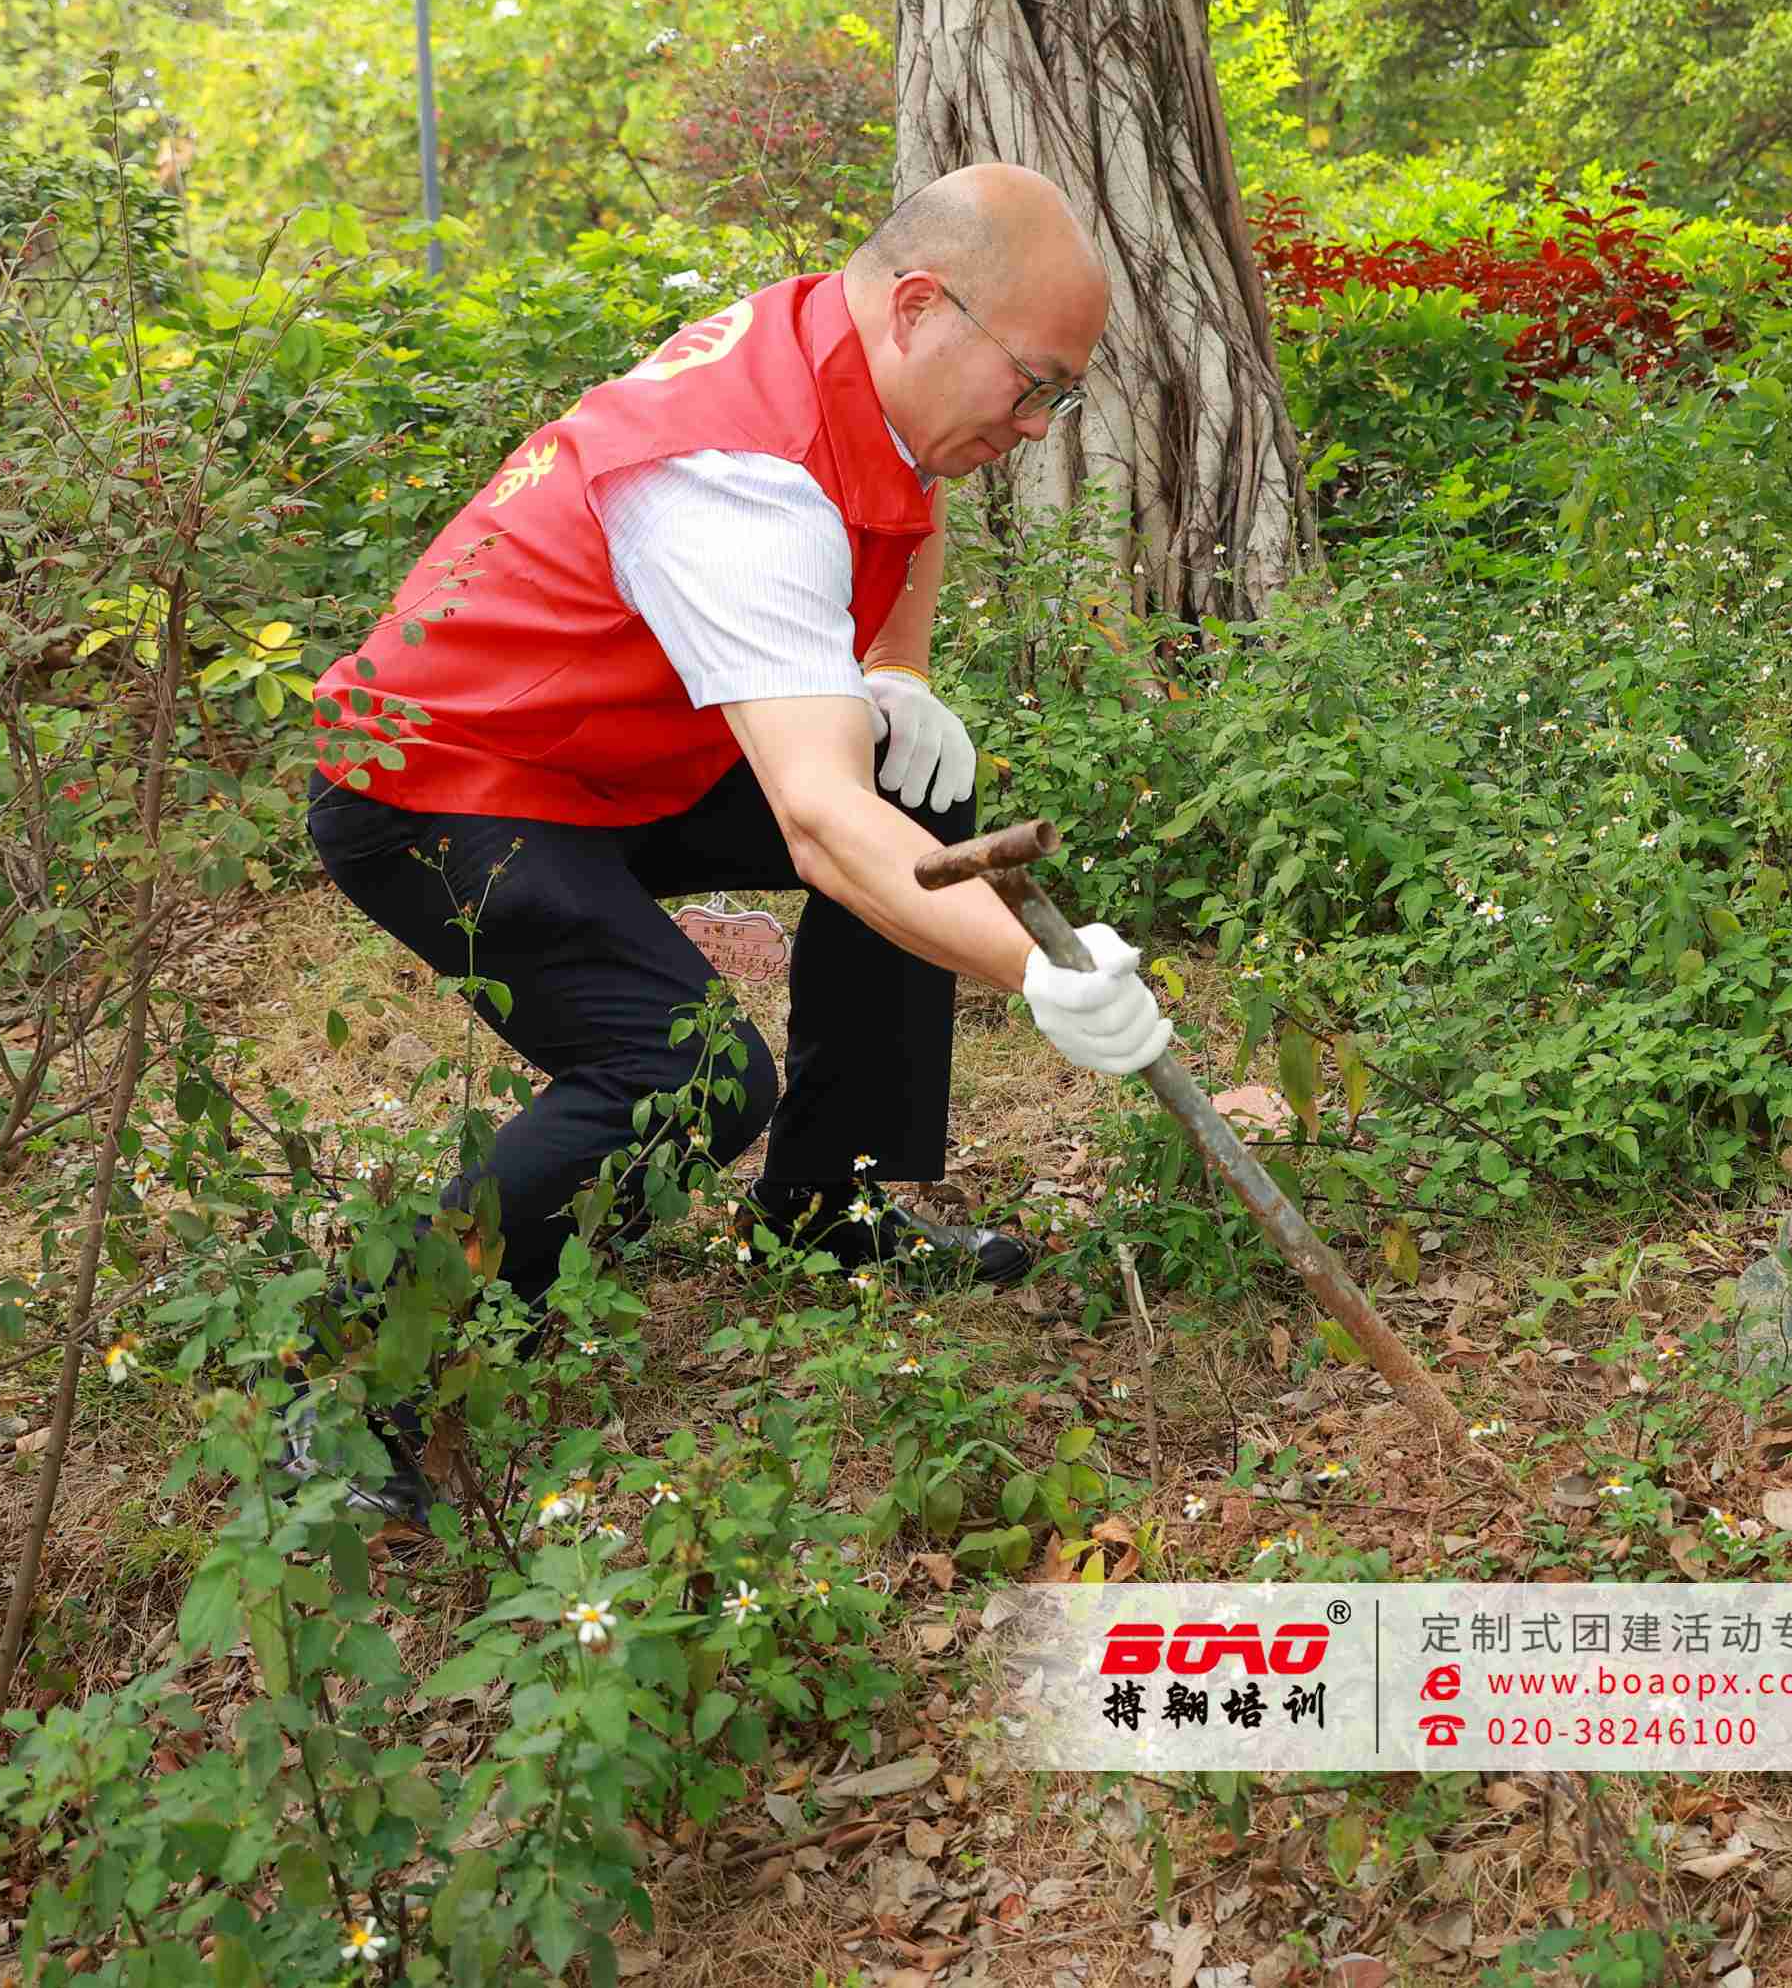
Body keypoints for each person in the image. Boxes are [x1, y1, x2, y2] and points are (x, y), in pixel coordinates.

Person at [293, 164, 1176, 1523]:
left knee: (915, 790)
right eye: (1032, 386)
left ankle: (828, 1205)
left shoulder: (853, 358)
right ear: (921, 307)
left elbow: (907, 505)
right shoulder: (736, 475)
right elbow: (821, 824)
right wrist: (1037, 970)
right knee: (690, 1071)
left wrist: (893, 673)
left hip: (606, 755)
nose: (1033, 426)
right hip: (436, 785)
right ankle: (354, 1372)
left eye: (1057, 399)